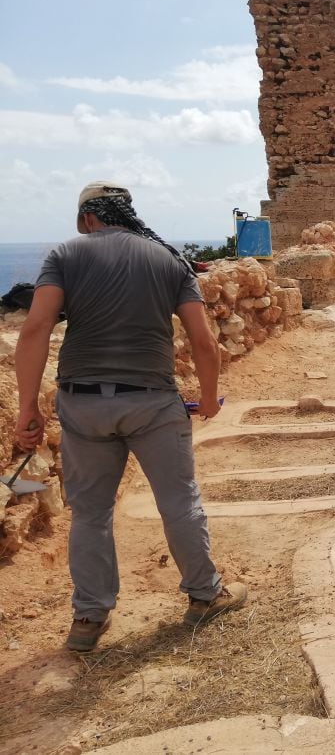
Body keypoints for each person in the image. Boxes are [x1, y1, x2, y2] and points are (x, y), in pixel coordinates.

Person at [14, 181, 247, 653]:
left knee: (91, 513)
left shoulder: (65, 254)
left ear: (88, 218)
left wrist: (27, 408)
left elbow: (37, 327)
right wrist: (206, 398)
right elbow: (203, 342)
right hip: (153, 402)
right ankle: (205, 594)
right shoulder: (167, 260)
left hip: (82, 405)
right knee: (179, 501)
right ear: (126, 213)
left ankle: (88, 617)